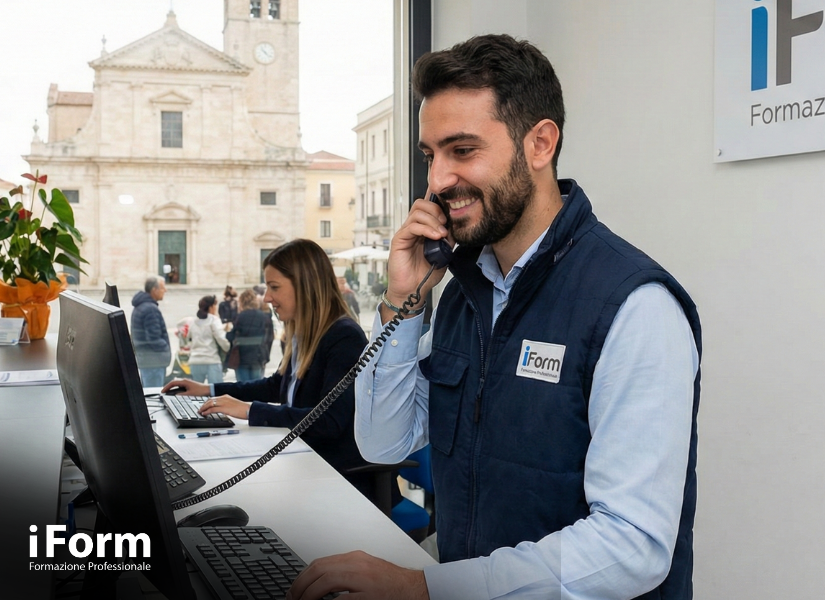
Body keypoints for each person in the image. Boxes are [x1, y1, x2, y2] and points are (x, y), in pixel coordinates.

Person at [287, 34, 702, 600]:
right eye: (431, 155)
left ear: (540, 144)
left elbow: (632, 546)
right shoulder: (463, 295)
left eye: (462, 150)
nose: (436, 181)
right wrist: (402, 303)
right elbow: (384, 443)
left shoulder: (633, 305)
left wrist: (425, 588)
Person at [161, 239, 397, 506]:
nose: (266, 297)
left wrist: (250, 410)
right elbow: (277, 385)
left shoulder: (344, 338)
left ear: (306, 287)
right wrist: (210, 389)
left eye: (274, 287)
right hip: (305, 462)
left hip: (341, 482)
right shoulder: (303, 332)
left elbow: (329, 421)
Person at [131, 276, 171, 388]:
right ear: (154, 290)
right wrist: (165, 350)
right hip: (154, 361)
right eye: (163, 288)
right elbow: (153, 338)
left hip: (146, 360)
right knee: (153, 395)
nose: (166, 290)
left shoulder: (140, 306)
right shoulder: (150, 309)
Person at [227, 288, 274, 381]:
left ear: (242, 302)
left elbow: (231, 336)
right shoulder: (263, 316)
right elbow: (270, 337)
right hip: (258, 357)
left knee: (243, 388)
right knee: (256, 387)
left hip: (242, 358)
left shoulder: (240, 317)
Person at [187, 295, 230, 384]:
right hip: (211, 360)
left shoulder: (194, 322)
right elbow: (221, 338)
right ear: (211, 307)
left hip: (195, 360)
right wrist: (228, 348)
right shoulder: (214, 320)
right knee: (216, 390)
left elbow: (189, 338)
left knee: (196, 392)